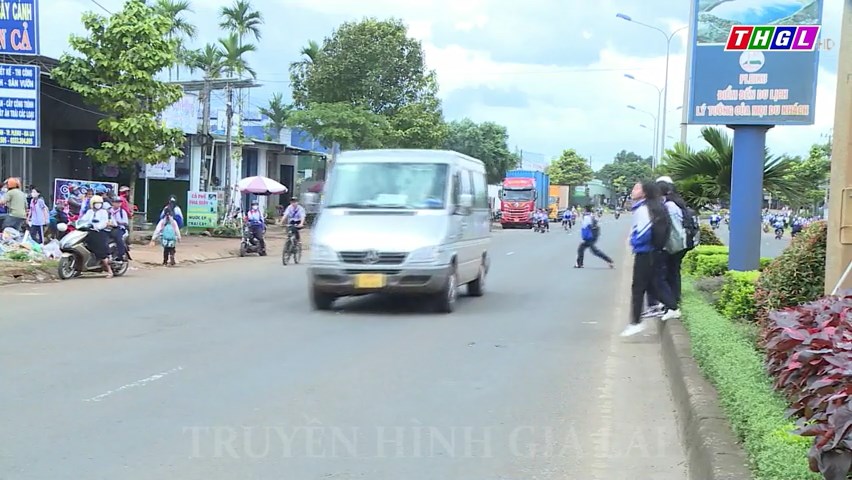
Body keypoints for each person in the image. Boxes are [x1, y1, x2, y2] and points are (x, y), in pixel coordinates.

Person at [621, 181, 680, 338]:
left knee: (639, 287)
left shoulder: (643, 209)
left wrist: (633, 243)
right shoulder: (653, 206)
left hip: (645, 252)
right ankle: (671, 307)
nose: (633, 190)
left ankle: (636, 322)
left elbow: (643, 232)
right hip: (653, 252)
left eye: (636, 188)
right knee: (652, 284)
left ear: (645, 192)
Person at [643, 177, 689, 317]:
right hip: (677, 245)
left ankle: (671, 306)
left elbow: (669, 228)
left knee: (661, 276)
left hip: (669, 246)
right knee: (672, 274)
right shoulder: (676, 203)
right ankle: (671, 304)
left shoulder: (668, 206)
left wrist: (661, 245)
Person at [77, 195, 114, 278]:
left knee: (101, 251)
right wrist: (77, 223)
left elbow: (104, 222)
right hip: (89, 232)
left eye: (100, 203)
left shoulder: (103, 212)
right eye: (96, 203)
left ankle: (109, 271)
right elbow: (83, 220)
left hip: (99, 232)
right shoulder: (89, 212)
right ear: (92, 204)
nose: (98, 205)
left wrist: (97, 227)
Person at [575, 204, 614, 268]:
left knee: (594, 251)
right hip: (593, 235)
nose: (583, 211)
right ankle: (579, 264)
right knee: (582, 248)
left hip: (590, 236)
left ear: (586, 209)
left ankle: (609, 261)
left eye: (584, 209)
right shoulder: (591, 215)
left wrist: (588, 232)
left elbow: (588, 225)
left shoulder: (587, 217)